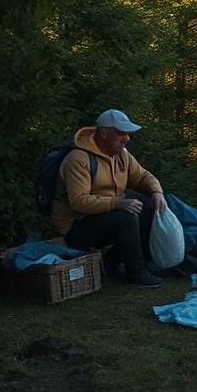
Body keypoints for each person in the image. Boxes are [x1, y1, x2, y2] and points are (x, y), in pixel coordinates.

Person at [51, 109, 168, 288]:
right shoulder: (78, 159)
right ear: (104, 133)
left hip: (104, 217)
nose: (126, 138)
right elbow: (79, 201)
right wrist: (118, 203)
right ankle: (136, 273)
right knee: (126, 216)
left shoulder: (121, 154)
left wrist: (156, 193)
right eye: (121, 133)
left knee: (146, 205)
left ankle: (115, 262)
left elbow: (143, 177)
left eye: (128, 133)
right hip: (75, 227)